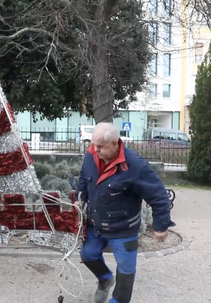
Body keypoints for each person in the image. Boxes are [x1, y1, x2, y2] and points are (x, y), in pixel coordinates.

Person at [74, 122, 174, 303]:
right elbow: (84, 178)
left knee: (126, 271)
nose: (95, 150)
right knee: (87, 255)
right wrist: (78, 197)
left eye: (100, 147)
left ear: (114, 143)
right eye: (94, 145)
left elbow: (158, 195)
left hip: (123, 229)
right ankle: (105, 279)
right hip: (96, 223)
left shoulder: (135, 166)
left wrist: (161, 225)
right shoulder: (91, 155)